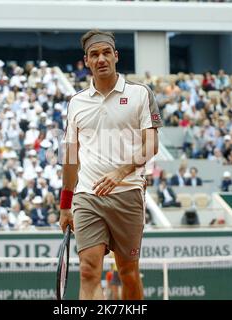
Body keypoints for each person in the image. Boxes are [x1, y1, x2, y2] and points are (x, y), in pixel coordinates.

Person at [59, 30, 162, 300]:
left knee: (127, 272)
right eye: (94, 54)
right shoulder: (76, 103)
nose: (101, 59)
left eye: (106, 53)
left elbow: (151, 144)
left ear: (116, 56)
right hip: (87, 198)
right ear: (87, 61)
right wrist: (65, 205)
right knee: (89, 270)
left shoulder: (140, 94)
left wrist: (121, 172)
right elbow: (70, 157)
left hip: (128, 193)